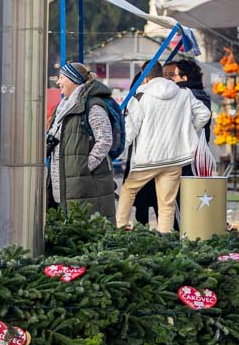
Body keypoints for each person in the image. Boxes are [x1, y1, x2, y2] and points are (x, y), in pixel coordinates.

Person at [118, 61, 210, 233]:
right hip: (175, 158)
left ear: (145, 77)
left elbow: (130, 130)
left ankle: (120, 228)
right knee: (167, 203)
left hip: (147, 158)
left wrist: (119, 151)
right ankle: (164, 238)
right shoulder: (184, 93)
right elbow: (204, 114)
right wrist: (188, 132)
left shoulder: (140, 96)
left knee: (128, 191)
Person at [46, 63, 116, 219]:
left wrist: (83, 168)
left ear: (73, 79)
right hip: (65, 186)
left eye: (62, 78)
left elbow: (105, 139)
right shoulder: (63, 107)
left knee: (85, 228)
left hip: (83, 185)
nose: (58, 82)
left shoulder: (92, 106)